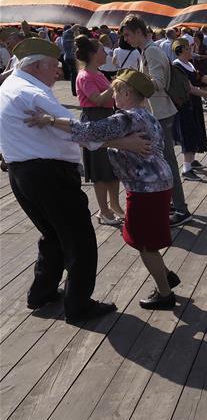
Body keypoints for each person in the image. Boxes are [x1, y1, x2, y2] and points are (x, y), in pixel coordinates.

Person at [0, 38, 145, 322]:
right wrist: (123, 142)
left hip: (21, 173)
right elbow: (81, 131)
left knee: (52, 235)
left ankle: (41, 293)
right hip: (49, 175)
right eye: (53, 66)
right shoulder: (34, 94)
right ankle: (78, 306)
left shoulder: (8, 86)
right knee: (79, 240)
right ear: (36, 66)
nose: (58, 71)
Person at [28, 69, 181, 309]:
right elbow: (99, 138)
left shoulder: (126, 119)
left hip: (146, 188)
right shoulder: (146, 115)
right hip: (155, 183)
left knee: (145, 244)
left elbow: (88, 131)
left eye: (115, 91)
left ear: (127, 93)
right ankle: (167, 276)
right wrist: (121, 143)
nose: (113, 96)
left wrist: (50, 121)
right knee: (144, 237)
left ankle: (165, 294)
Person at [120, 14, 192, 227]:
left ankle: (181, 209)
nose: (126, 39)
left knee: (167, 162)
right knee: (163, 160)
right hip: (158, 113)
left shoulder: (151, 51)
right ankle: (173, 203)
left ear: (139, 32)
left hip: (160, 114)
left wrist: (133, 82)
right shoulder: (147, 50)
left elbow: (158, 83)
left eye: (128, 35)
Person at [74, 35, 125, 226]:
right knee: (100, 169)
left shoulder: (97, 73)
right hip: (94, 121)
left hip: (105, 119)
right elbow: (97, 99)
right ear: (93, 54)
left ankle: (114, 206)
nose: (106, 53)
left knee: (111, 166)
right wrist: (114, 85)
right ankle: (104, 210)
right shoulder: (85, 76)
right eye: (103, 50)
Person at [172, 38, 207, 181]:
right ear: (181, 50)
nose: (191, 50)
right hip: (185, 106)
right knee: (188, 133)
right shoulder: (177, 67)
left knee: (195, 130)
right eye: (188, 48)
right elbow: (190, 89)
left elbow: (203, 78)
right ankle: (186, 169)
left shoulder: (189, 64)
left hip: (193, 103)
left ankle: (191, 161)